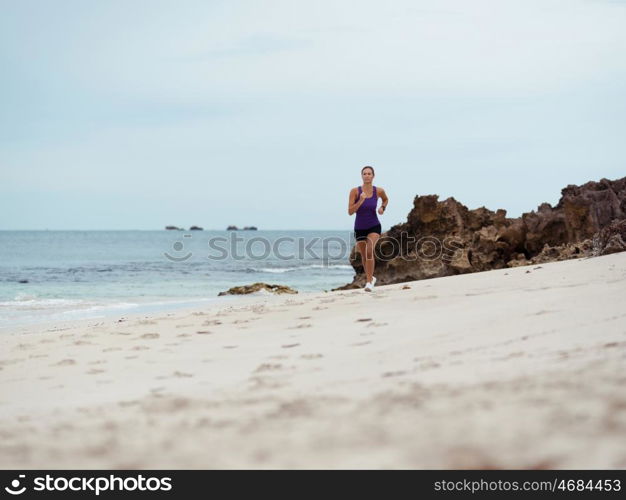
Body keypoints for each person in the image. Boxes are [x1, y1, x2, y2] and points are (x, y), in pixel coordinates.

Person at [347, 166, 388, 291]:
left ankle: (369, 282)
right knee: (364, 256)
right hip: (359, 227)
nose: (367, 175)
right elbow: (350, 211)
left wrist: (382, 208)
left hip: (374, 225)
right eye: (364, 174)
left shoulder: (379, 191)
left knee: (370, 251)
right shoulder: (355, 191)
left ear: (373, 176)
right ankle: (371, 277)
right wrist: (360, 200)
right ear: (362, 176)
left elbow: (386, 200)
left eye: (369, 173)